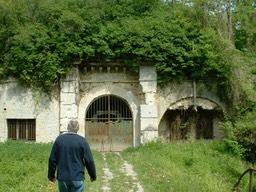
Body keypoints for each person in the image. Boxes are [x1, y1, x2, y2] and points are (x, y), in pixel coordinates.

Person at [48, 120, 96, 192]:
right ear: (78, 129)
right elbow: (89, 160)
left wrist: (51, 176)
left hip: (63, 177)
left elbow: (52, 159)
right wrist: (92, 175)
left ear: (67, 127)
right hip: (77, 177)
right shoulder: (82, 141)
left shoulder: (59, 140)